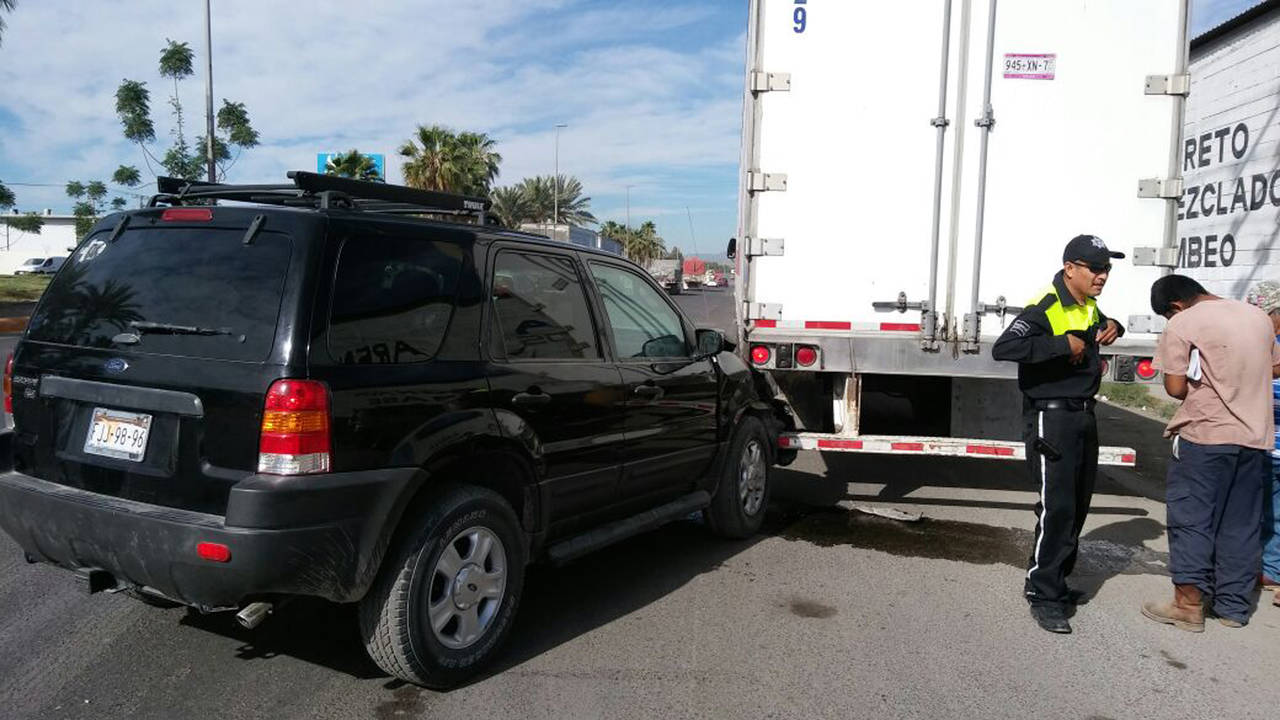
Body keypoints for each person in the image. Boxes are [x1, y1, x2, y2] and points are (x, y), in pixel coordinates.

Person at [993, 234, 1124, 634]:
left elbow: (1097, 328)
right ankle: (1043, 593)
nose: (1103, 276)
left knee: (1077, 506)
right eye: (1095, 268)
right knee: (1058, 506)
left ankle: (1058, 581)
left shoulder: (1087, 305)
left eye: (1107, 269)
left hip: (1083, 416)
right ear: (1071, 269)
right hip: (1053, 418)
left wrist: (1113, 326)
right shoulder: (1046, 306)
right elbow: (1004, 348)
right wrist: (1057, 345)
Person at [1141, 275, 1280, 631]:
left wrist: (1211, 381)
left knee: (1192, 516)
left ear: (1175, 306)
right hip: (1254, 438)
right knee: (1241, 522)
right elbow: (1274, 366)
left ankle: (1187, 604)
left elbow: (1174, 388)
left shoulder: (1185, 322)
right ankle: (1233, 607)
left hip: (1206, 435)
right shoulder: (1258, 318)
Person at [1247, 280, 1280, 607]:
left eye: (1264, 313)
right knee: (1269, 509)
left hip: (1267, 438)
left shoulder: (1266, 344)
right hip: (1264, 441)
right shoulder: (1260, 339)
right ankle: (1270, 570)